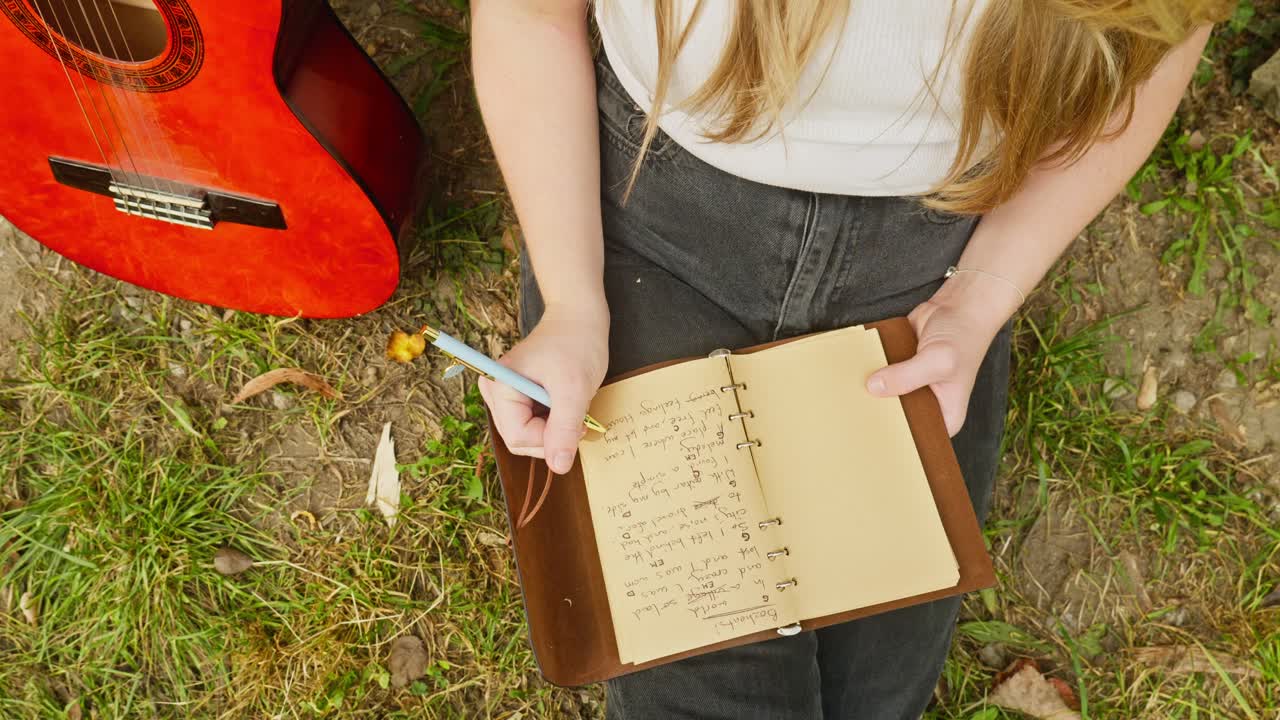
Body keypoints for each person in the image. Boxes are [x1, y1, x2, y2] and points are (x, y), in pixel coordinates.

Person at [469, 0, 1226, 717]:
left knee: (874, 697)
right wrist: (572, 302)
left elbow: (1158, 43)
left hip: (930, 266)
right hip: (653, 223)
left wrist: (981, 298)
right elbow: (530, 16)